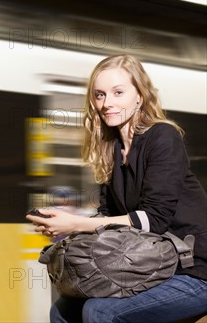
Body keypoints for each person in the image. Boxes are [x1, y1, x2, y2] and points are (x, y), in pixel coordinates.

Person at [26, 54, 207, 323]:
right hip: (152, 267)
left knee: (100, 312)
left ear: (140, 96)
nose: (106, 103)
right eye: (99, 95)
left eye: (117, 92)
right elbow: (108, 215)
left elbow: (154, 219)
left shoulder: (163, 137)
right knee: (63, 310)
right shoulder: (112, 149)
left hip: (194, 271)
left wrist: (75, 224)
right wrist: (62, 221)